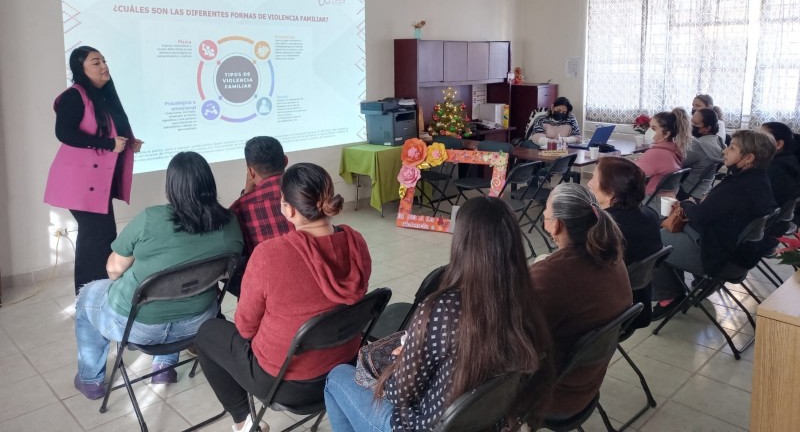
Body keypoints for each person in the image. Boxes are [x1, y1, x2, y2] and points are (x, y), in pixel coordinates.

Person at [324, 197, 553, 432]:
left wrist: (399, 359)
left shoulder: (443, 307)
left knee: (337, 377)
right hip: (486, 421)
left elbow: (399, 393)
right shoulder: (524, 297)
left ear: (462, 243)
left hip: (423, 425)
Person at [195, 163, 371, 432]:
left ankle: (243, 421)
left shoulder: (270, 254)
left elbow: (245, 327)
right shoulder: (356, 241)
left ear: (288, 208)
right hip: (345, 368)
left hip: (287, 384)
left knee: (208, 332)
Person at [72, 152, 243, 400]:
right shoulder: (230, 223)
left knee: (88, 294)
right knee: (179, 287)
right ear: (209, 183)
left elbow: (113, 269)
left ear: (171, 186)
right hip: (198, 322)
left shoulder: (150, 219)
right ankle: (163, 367)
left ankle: (91, 380)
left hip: (137, 328)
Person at [44, 46, 144, 294]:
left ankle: (97, 291)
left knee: (102, 235)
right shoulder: (74, 96)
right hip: (79, 182)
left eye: (104, 61)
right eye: (96, 63)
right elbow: (64, 133)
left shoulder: (104, 96)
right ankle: (88, 294)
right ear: (81, 69)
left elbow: (111, 130)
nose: (103, 66)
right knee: (96, 237)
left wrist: (128, 142)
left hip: (99, 181)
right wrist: (109, 144)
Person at [529, 183, 632, 418]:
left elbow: (511, 339)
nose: (544, 213)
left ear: (556, 224)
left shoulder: (551, 276)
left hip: (551, 397)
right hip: (586, 385)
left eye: (546, 208)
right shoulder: (613, 257)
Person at [651, 130, 777, 319]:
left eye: (732, 148)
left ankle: (669, 295)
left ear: (748, 158)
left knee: (651, 241)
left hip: (718, 258)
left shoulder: (738, 187)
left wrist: (687, 204)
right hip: (736, 254)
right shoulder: (759, 180)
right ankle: (689, 285)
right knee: (666, 232)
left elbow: (701, 216)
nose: (725, 151)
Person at [589, 156, 663, 328]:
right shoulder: (649, 214)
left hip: (607, 315)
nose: (589, 184)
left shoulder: (605, 227)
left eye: (594, 178)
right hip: (638, 305)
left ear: (611, 191)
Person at [227, 136, 294, 296]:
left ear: (250, 171)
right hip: (309, 279)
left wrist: (246, 192)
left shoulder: (240, 208)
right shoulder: (305, 192)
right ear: (285, 161)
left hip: (267, 288)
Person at [759, 122, 800, 244]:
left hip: (761, 235)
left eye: (760, 138)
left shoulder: (776, 170)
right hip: (772, 230)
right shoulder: (789, 162)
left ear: (778, 144)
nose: (754, 141)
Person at [636, 108, 691, 198]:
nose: (649, 131)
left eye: (654, 128)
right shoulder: (674, 150)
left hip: (647, 199)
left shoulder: (655, 154)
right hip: (663, 200)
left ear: (666, 134)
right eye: (649, 127)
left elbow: (631, 176)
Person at [678, 108, 724, 200]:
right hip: (705, 190)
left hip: (688, 192)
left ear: (707, 128)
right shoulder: (717, 140)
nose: (691, 125)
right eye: (691, 121)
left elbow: (677, 162)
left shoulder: (698, 146)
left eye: (695, 124)